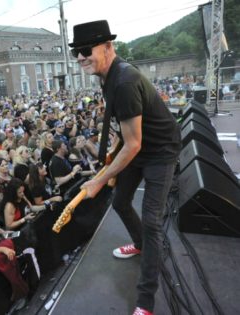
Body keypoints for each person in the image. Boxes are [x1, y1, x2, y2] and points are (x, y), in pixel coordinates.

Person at [71, 20, 181, 315]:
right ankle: (140, 244)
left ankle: (145, 302)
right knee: (120, 202)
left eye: (85, 50)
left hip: (160, 151)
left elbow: (134, 144)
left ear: (108, 47)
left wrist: (99, 179)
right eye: (76, 53)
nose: (80, 57)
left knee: (152, 221)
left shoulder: (124, 81)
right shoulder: (107, 77)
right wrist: (109, 158)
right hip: (139, 148)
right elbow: (126, 134)